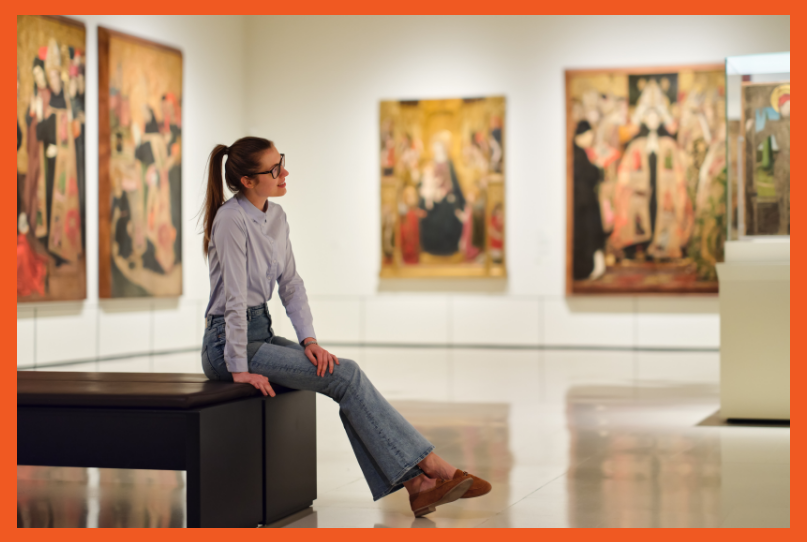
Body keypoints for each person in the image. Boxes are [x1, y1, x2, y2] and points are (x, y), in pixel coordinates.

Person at [200, 137, 491, 518]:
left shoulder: (277, 217)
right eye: (274, 169)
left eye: (281, 161)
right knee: (347, 375)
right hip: (227, 345)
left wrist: (309, 340)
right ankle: (431, 469)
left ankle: (419, 485)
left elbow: (291, 284)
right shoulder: (230, 220)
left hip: (260, 333)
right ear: (248, 181)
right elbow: (235, 300)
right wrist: (238, 368)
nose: (284, 172)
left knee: (341, 374)